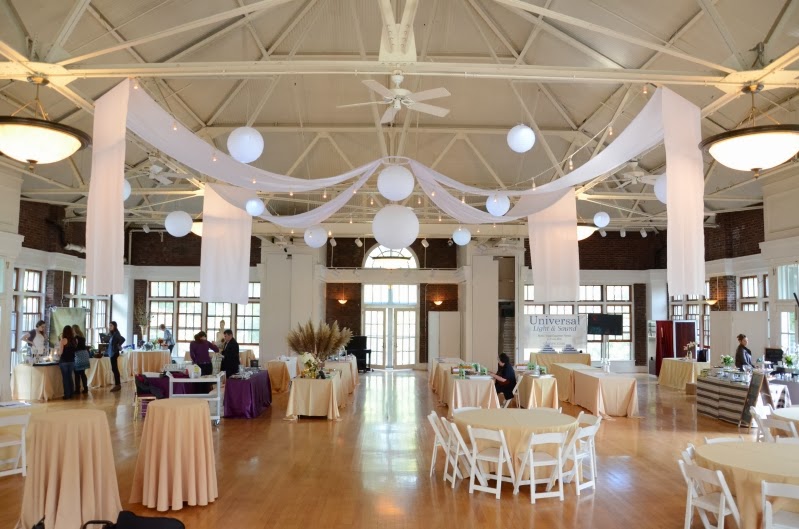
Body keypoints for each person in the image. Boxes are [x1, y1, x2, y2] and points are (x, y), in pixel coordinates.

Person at [58, 325, 77, 400]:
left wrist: (57, 353)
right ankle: (72, 393)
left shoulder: (63, 340)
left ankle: (67, 395)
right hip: (72, 361)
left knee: (65, 378)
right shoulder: (74, 340)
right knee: (70, 377)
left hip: (64, 361)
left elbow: (61, 352)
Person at [107, 321, 125, 392]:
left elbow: (123, 339)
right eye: (109, 326)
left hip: (114, 353)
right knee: (114, 369)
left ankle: (118, 385)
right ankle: (117, 384)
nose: (110, 327)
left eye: (111, 326)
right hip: (112, 352)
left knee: (115, 369)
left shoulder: (116, 334)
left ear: (114, 326)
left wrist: (118, 345)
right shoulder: (113, 334)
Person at [72, 325, 90, 394]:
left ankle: (77, 389)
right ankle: (85, 388)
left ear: (74, 330)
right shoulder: (82, 337)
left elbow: (75, 348)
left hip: (78, 355)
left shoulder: (75, 338)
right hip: (84, 354)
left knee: (77, 373)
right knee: (82, 373)